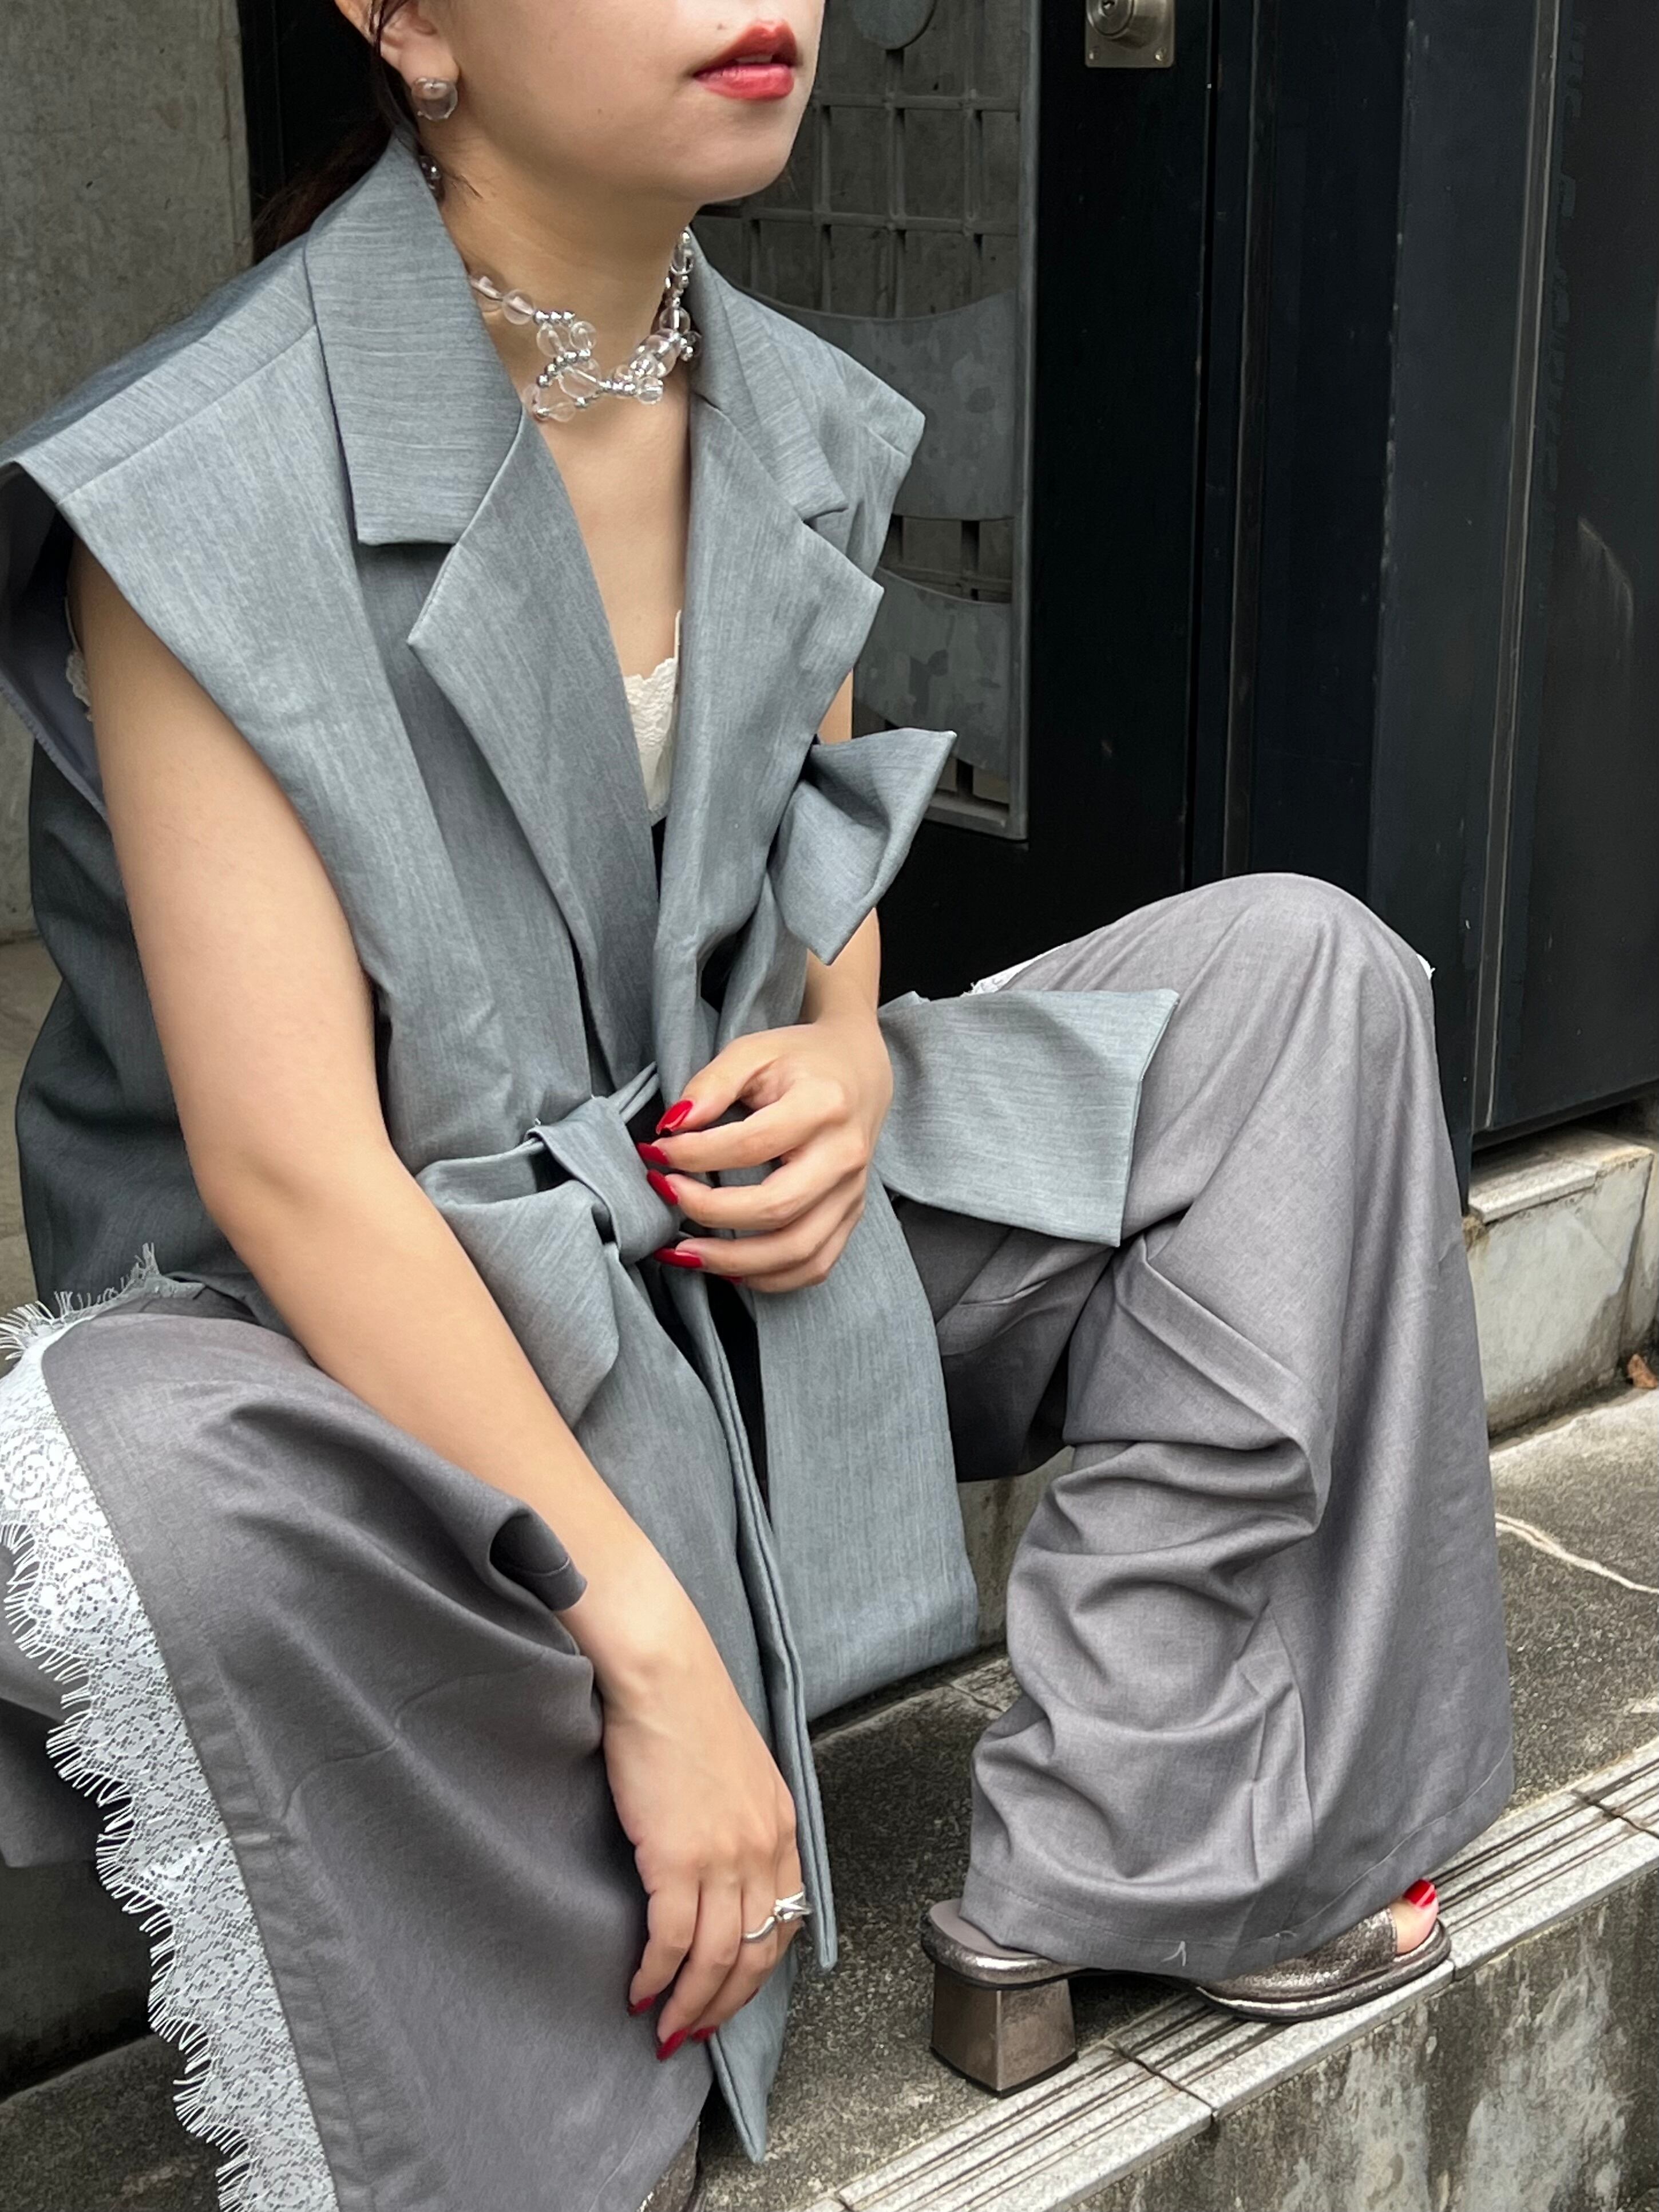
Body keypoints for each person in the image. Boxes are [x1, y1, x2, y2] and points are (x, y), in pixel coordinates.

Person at [0, 3, 1514, 2205]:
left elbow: (819, 845)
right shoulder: (196, 488)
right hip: (408, 1358)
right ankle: (544, 2040)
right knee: (134, 1452)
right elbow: (293, 1174)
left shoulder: (780, 405)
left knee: (1300, 982)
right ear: (404, 19)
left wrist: (849, 1048)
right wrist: (648, 1648)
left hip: (725, 1237)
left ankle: (1184, 1834)